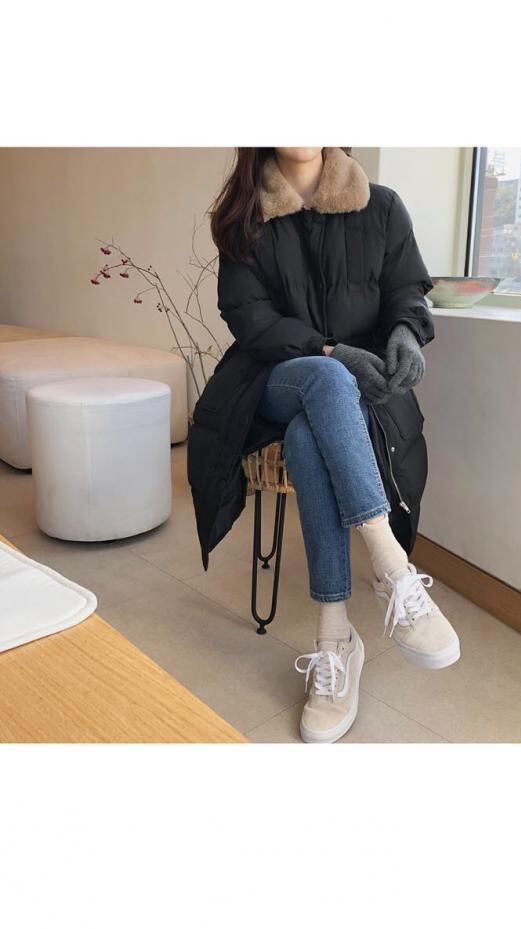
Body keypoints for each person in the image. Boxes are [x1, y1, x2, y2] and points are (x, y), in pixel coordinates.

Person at [188, 144, 460, 740]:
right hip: (272, 379)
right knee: (326, 379)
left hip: (361, 389)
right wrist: (330, 352)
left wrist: (407, 334)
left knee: (311, 434)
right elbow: (250, 320)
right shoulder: (241, 217)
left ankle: (336, 639)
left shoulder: (382, 207)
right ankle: (392, 567)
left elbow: (407, 291)